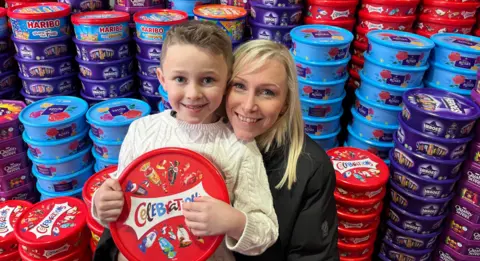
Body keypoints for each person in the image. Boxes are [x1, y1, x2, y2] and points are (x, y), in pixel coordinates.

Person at [92, 21, 278, 261]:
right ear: (162, 78)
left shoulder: (239, 146)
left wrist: (233, 221)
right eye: (180, 79)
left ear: (227, 81)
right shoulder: (142, 130)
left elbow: (266, 231)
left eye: (208, 80)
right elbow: (119, 196)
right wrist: (102, 203)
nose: (193, 93)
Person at [226, 40, 339, 261]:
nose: (249, 105)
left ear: (285, 103)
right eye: (239, 86)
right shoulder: (200, 143)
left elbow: (314, 255)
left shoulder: (310, 166)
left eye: (267, 92)